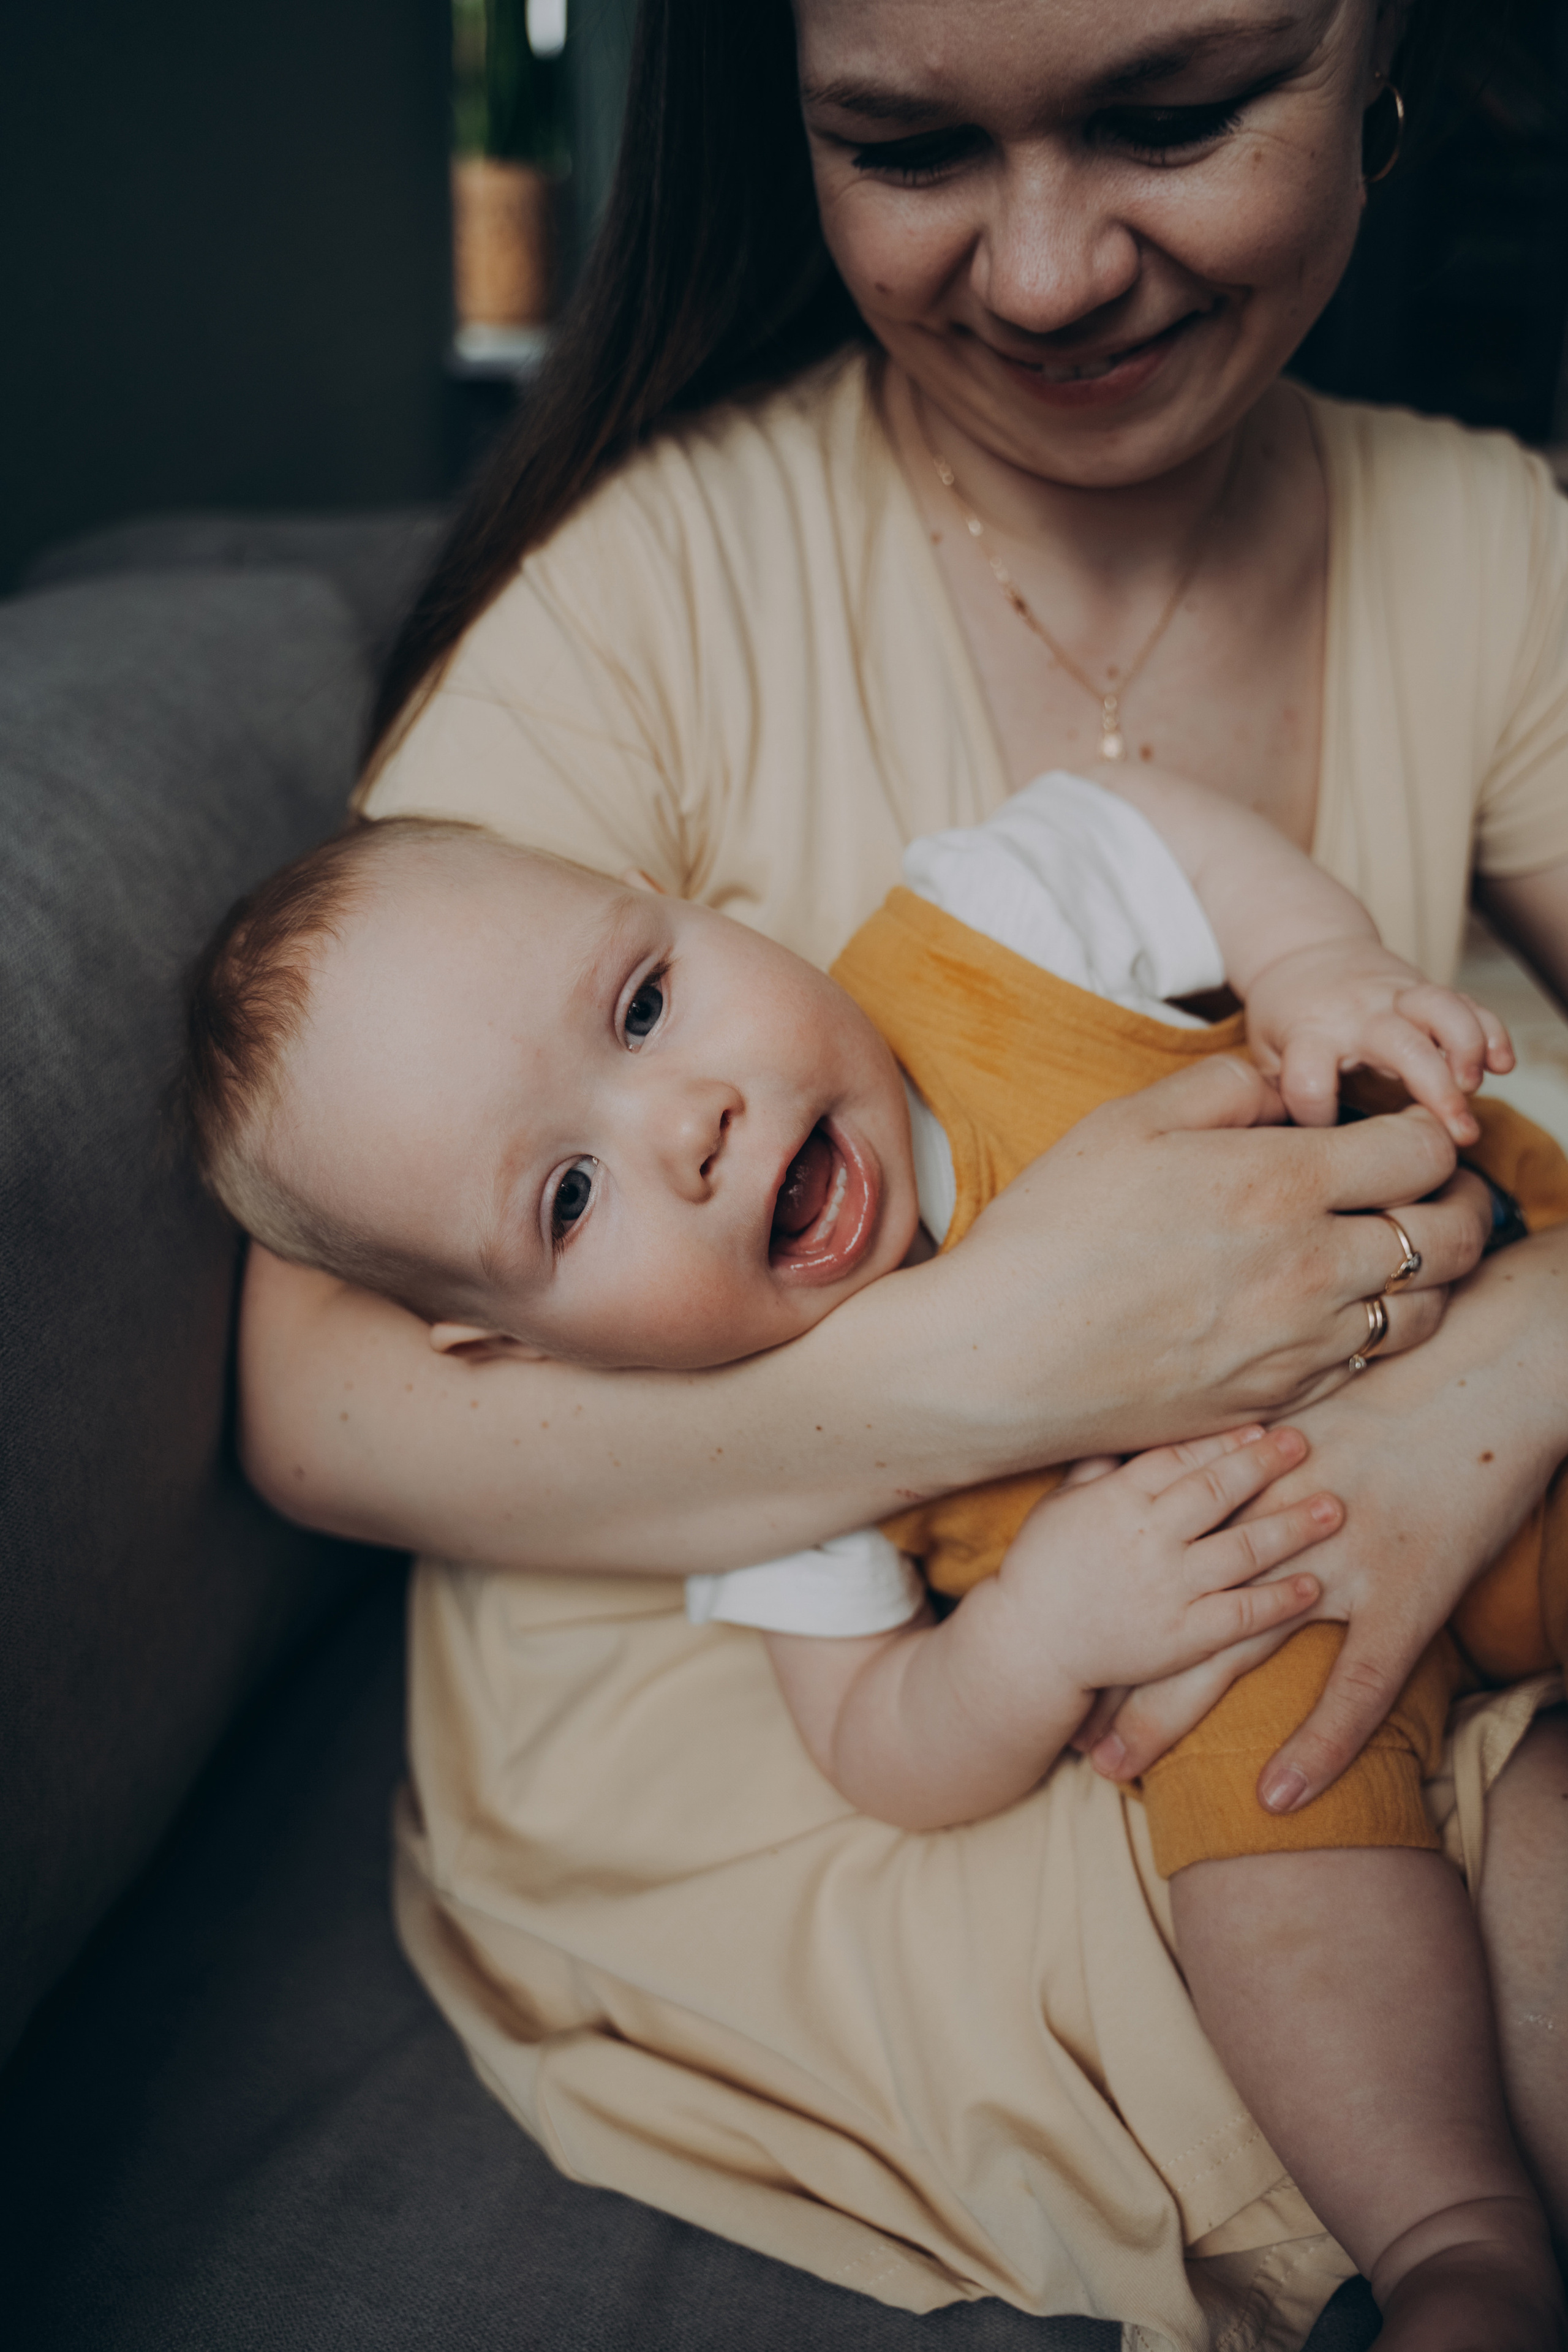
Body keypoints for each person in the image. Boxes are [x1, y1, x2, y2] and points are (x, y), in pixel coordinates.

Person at [238, 1, 1568, 2342]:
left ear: (1385, 55)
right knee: (1368, 1834)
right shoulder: (656, 586)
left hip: (1438, 1454)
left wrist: (1501, 1374)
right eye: (907, 147)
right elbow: (324, 1395)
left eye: (1173, 117)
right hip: (970, 1694)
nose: (1045, 275)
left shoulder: (1475, 549)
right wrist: (1000, 1364)